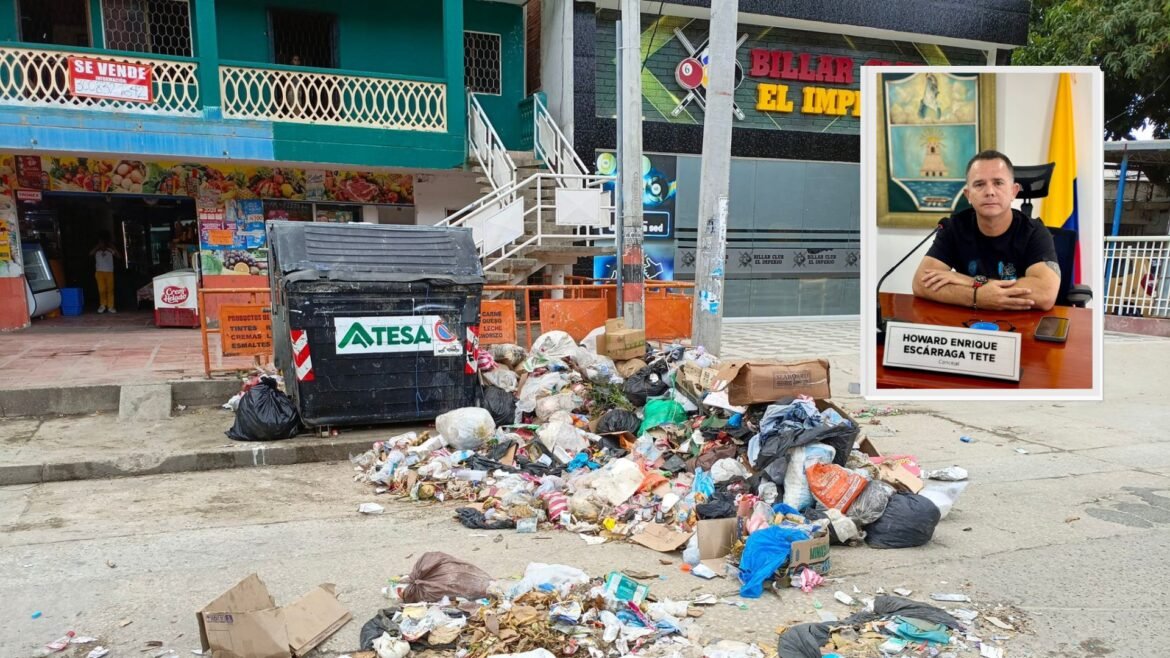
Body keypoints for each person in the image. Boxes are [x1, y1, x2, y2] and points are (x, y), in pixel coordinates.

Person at [912, 150, 1060, 312]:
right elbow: (921, 283)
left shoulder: (1035, 232)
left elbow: (1045, 293)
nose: (990, 191)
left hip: (1020, 326)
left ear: (1014, 191)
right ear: (968, 195)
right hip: (969, 327)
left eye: (998, 183)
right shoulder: (953, 228)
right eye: (979, 184)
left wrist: (969, 283)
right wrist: (978, 297)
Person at [89, 231, 120, 314]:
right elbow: (90, 253)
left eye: (103, 242)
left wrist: (112, 247)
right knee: (101, 289)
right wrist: (98, 247)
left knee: (110, 289)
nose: (102, 244)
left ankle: (110, 306)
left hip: (109, 271)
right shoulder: (96, 250)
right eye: (100, 242)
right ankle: (102, 305)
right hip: (99, 272)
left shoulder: (110, 250)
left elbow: (118, 256)